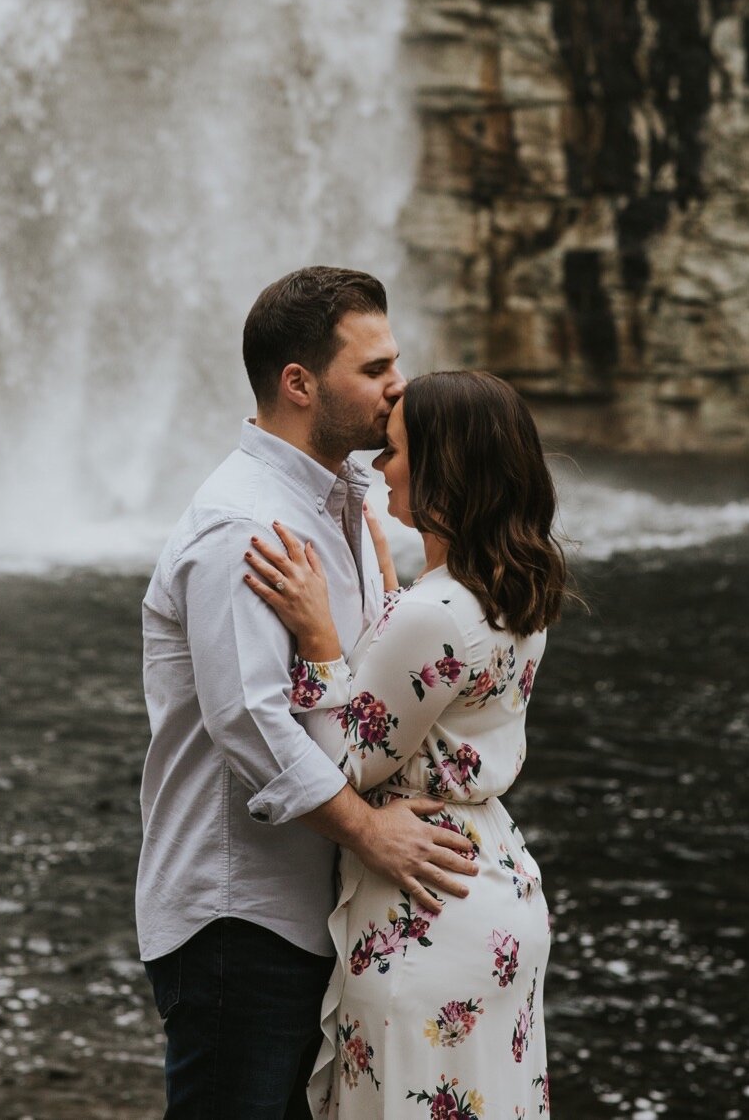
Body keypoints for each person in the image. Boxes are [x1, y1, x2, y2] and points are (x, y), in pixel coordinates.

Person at [137, 268, 480, 1120]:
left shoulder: (343, 502)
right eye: (373, 369)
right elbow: (249, 720)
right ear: (298, 383)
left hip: (311, 908)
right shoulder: (243, 526)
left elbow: (361, 689)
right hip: (239, 918)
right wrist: (372, 836)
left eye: (393, 362)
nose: (397, 385)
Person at [244, 369, 568, 1118]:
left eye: (393, 451)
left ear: (441, 469)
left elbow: (342, 762)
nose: (379, 466)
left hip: (424, 904)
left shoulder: (433, 614)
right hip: (494, 882)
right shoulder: (513, 587)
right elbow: (436, 698)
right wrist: (393, 589)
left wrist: (322, 635)